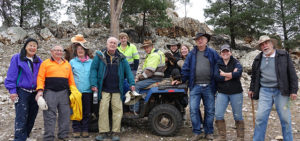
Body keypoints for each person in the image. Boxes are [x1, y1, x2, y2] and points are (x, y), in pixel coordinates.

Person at [248, 35, 298, 141]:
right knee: (260, 118)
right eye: (262, 44)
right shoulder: (258, 59)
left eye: (266, 43)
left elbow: (292, 73)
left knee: (285, 119)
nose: (264, 46)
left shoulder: (283, 55)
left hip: (281, 90)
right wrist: (251, 89)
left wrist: (294, 90)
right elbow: (254, 76)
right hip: (264, 91)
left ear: (272, 44)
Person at [90, 37, 135, 141]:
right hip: (104, 89)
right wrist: (93, 84)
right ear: (107, 44)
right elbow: (93, 70)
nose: (112, 44)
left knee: (118, 110)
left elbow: (128, 71)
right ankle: (103, 132)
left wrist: (132, 83)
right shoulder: (99, 56)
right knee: (103, 110)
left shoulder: (122, 58)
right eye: (111, 42)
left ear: (117, 45)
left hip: (117, 89)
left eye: (115, 43)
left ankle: (115, 132)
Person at [180, 32, 220, 140]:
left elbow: (219, 65)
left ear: (206, 40)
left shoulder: (212, 52)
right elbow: (185, 69)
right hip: (195, 86)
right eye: (197, 39)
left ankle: (209, 132)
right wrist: (180, 80)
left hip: (209, 86)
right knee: (193, 109)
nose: (199, 41)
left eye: (202, 39)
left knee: (210, 110)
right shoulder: (192, 53)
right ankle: (197, 131)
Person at [35, 45, 76, 141]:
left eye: (60, 51)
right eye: (56, 50)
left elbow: (71, 80)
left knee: (65, 114)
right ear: (51, 51)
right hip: (50, 92)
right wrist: (40, 91)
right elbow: (40, 78)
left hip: (64, 93)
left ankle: (63, 135)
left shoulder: (67, 64)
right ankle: (49, 137)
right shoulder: (45, 63)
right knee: (49, 115)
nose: (59, 52)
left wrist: (74, 92)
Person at [4, 38, 42, 141]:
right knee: (21, 116)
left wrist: (40, 91)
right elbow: (11, 76)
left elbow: (41, 77)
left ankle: (26, 135)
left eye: (35, 46)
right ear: (25, 46)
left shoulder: (38, 60)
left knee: (32, 116)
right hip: (22, 92)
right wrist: (12, 92)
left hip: (35, 93)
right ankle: (19, 138)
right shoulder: (17, 58)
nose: (32, 47)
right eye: (30, 45)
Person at [214, 44, 244, 140]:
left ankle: (240, 137)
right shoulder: (217, 63)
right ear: (221, 53)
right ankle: (222, 136)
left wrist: (223, 74)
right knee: (218, 114)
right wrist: (231, 75)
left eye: (227, 51)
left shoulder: (236, 62)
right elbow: (216, 77)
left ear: (230, 52)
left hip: (236, 92)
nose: (225, 53)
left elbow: (238, 73)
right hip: (222, 92)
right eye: (223, 51)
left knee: (237, 115)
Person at [69, 35, 94, 138]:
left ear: (85, 51)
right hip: (76, 91)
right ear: (76, 51)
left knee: (87, 111)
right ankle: (76, 129)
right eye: (78, 49)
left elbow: (94, 76)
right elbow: (69, 76)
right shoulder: (72, 62)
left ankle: (85, 129)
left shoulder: (91, 62)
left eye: (82, 49)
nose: (80, 51)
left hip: (88, 91)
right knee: (75, 110)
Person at [133, 39, 165, 114]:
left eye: (148, 47)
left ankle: (135, 110)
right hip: (154, 77)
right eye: (145, 48)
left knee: (135, 86)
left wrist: (138, 78)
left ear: (152, 46)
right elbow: (146, 69)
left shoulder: (154, 55)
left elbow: (149, 72)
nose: (146, 49)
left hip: (154, 78)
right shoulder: (153, 54)